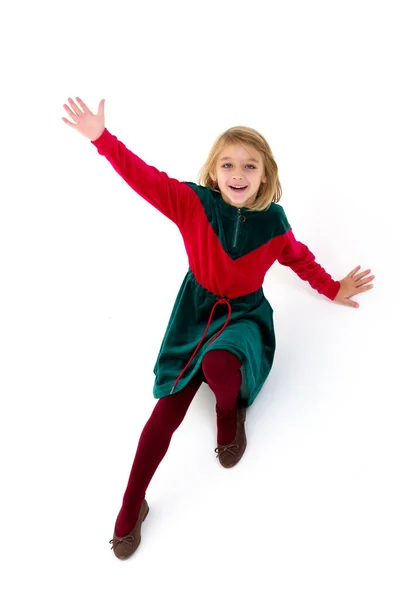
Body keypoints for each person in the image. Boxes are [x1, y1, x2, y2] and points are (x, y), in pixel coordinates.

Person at [62, 97, 374, 560]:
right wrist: (101, 139)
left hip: (245, 316)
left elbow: (298, 257)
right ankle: (132, 504)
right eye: (228, 163)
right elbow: (144, 178)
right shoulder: (193, 202)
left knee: (220, 361)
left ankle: (229, 414)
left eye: (250, 166)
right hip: (195, 311)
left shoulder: (273, 221)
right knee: (165, 412)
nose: (238, 173)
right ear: (214, 169)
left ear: (265, 175)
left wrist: (331, 288)